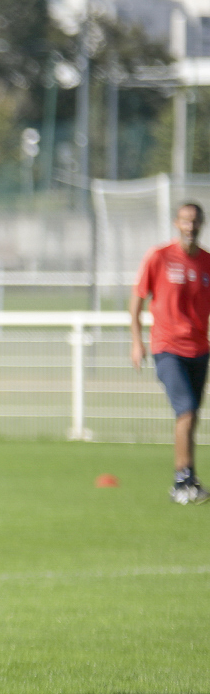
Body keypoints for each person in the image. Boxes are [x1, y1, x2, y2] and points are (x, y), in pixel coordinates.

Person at [129, 201, 210, 504]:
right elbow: (136, 301)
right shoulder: (160, 257)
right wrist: (137, 342)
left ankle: (190, 478)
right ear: (177, 223)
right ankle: (181, 480)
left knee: (191, 416)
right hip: (167, 348)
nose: (191, 226)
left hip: (200, 349)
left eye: (196, 221)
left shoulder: (207, 262)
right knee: (185, 411)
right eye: (186, 221)